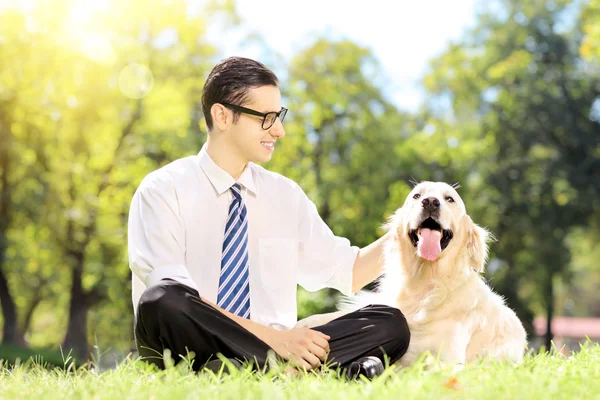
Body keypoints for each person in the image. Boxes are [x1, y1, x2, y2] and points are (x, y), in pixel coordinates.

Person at [128, 56, 410, 378]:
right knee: (162, 299)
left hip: (279, 347)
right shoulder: (164, 189)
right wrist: (277, 341)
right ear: (222, 116)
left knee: (389, 322)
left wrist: (409, 228)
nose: (279, 130)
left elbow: (351, 272)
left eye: (279, 116)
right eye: (266, 117)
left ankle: (246, 370)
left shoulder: (285, 195)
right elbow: (172, 296)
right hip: (189, 346)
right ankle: (295, 368)